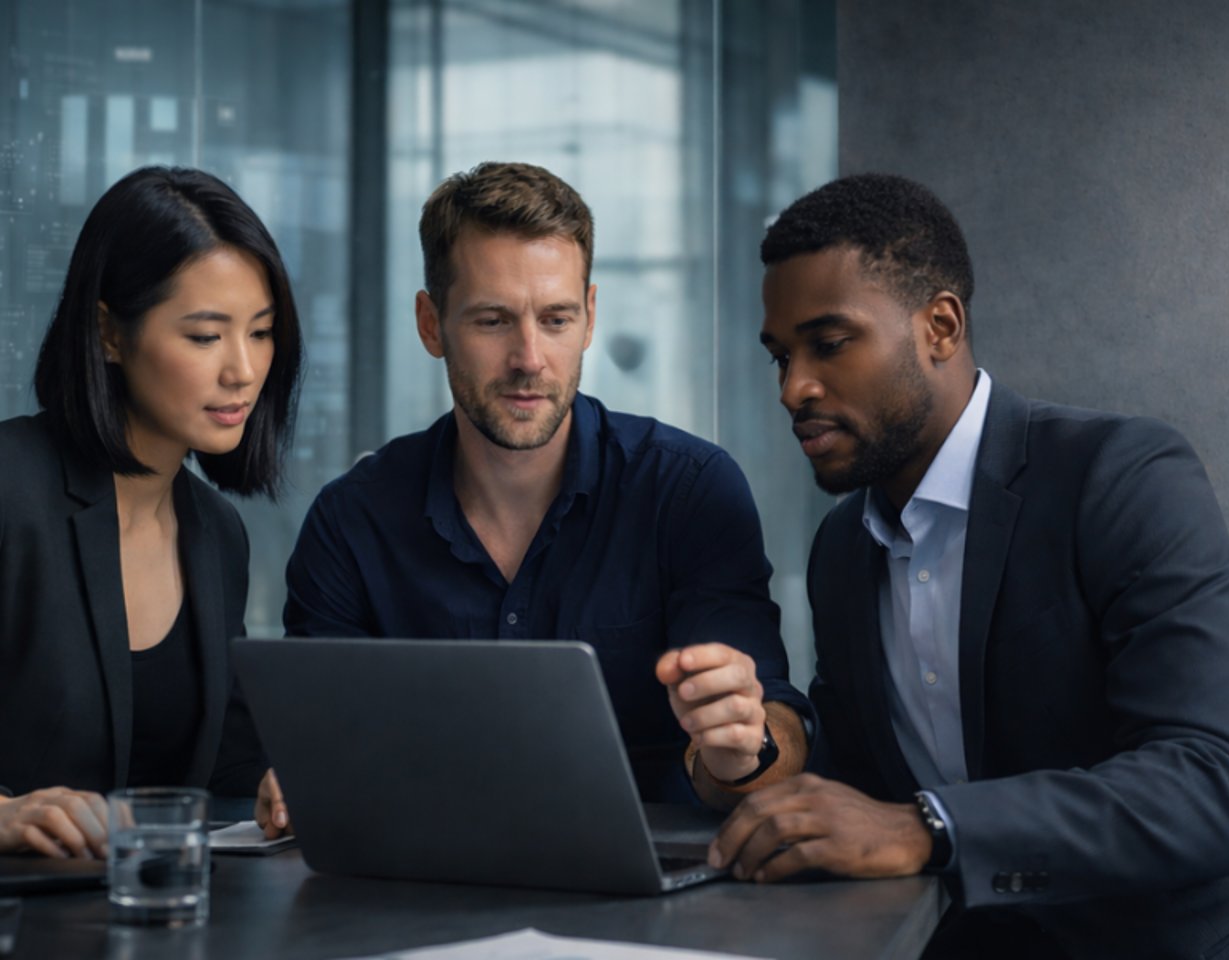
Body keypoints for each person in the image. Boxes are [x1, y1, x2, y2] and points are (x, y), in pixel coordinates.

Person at [712, 173, 1229, 959]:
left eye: (829, 344)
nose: (794, 388)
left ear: (940, 326)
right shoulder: (843, 548)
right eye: (781, 357)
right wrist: (757, 752)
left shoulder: (1121, 477)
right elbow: (862, 791)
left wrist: (928, 825)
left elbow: (1218, 789)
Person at [276, 162, 807, 828]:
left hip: (651, 905)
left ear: (589, 318)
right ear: (431, 324)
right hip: (417, 894)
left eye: (555, 319)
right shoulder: (352, 521)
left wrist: (740, 756)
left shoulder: (688, 491)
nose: (529, 358)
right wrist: (301, 779)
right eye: (493, 321)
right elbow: (316, 751)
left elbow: (772, 731)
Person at [0, 166, 302, 859]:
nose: (243, 370)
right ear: (109, 334)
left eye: (260, 332)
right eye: (205, 337)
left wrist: (274, 784)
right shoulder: (11, 487)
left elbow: (215, 768)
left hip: (155, 923)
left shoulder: (216, 535)